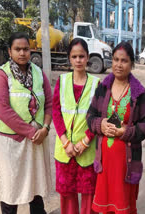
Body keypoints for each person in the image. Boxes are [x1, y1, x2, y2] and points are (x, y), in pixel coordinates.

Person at [87, 41, 145, 214]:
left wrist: (127, 131)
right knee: (105, 206)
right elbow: (90, 116)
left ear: (131, 64)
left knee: (123, 205)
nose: (118, 64)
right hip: (105, 161)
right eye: (115, 59)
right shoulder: (103, 88)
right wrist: (99, 124)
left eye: (124, 60)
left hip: (126, 163)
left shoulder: (139, 93)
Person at [0, 32, 52, 214]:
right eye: (17, 49)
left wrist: (46, 128)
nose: (22, 53)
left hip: (37, 142)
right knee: (11, 190)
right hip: (12, 144)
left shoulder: (39, 73)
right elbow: (4, 111)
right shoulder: (2, 75)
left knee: (36, 188)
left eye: (26, 49)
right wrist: (32, 132)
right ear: (10, 52)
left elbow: (49, 103)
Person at [52, 38, 100, 214]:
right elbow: (56, 112)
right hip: (65, 150)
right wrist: (65, 142)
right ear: (69, 59)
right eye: (74, 56)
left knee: (89, 194)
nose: (78, 60)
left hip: (85, 150)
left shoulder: (96, 84)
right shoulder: (62, 81)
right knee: (67, 195)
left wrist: (85, 141)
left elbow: (98, 117)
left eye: (82, 56)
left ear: (88, 57)